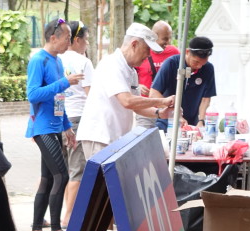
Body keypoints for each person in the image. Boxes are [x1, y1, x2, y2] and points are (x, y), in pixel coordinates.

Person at [76, 23, 175, 160]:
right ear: (134, 44)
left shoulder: (131, 71)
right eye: (147, 49)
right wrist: (162, 101)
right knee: (101, 175)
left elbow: (137, 107)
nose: (148, 55)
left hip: (115, 138)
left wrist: (159, 113)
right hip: (100, 136)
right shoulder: (112, 64)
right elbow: (127, 101)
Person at [26, 19, 83, 231]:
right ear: (53, 38)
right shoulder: (38, 60)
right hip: (42, 128)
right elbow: (33, 95)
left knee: (48, 178)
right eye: (67, 38)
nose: (70, 42)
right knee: (62, 175)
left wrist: (67, 126)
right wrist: (64, 83)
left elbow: (59, 99)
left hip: (55, 127)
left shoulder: (58, 61)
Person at [60, 21, 93, 227]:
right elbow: (92, 96)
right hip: (78, 119)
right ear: (77, 40)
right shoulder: (84, 62)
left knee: (61, 171)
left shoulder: (57, 59)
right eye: (86, 40)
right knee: (77, 171)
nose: (87, 44)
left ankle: (62, 215)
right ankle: (69, 218)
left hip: (59, 119)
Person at [150, 36, 215, 131]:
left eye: (203, 63)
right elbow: (153, 93)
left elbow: (205, 99)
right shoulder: (171, 63)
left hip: (192, 123)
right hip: (168, 122)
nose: (199, 66)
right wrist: (176, 114)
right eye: (196, 62)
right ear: (187, 52)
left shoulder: (208, 68)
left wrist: (201, 120)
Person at [135, 20, 179, 94]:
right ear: (154, 36)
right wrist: (138, 86)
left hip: (166, 99)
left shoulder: (174, 52)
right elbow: (129, 76)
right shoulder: (142, 52)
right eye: (165, 39)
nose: (168, 42)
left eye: (169, 38)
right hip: (145, 99)